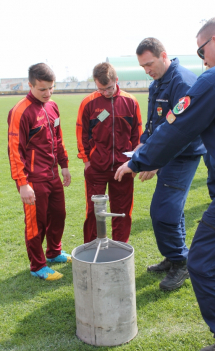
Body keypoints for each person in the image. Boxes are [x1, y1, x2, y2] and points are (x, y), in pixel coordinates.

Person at [115, 17, 215, 351]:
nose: (202, 59)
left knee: (204, 261)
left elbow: (178, 126)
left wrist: (140, 160)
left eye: (202, 50)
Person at [134, 38, 206, 291]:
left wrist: (155, 159)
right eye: (142, 66)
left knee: (163, 212)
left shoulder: (182, 82)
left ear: (164, 55)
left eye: (149, 64)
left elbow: (181, 132)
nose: (147, 70)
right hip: (167, 152)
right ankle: (174, 257)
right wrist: (144, 144)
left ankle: (181, 263)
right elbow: (155, 120)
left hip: (182, 154)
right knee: (169, 210)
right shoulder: (160, 81)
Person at [8, 63, 72, 281]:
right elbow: (14, 151)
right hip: (33, 178)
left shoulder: (52, 106)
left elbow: (58, 138)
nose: (48, 93)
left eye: (51, 88)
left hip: (53, 174)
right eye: (42, 89)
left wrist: (64, 166)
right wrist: (22, 183)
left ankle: (54, 252)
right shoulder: (20, 111)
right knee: (37, 223)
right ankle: (37, 265)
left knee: (59, 215)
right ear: (30, 85)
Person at [76, 62, 142, 243]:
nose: (106, 92)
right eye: (101, 89)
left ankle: (120, 248)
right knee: (93, 211)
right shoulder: (88, 103)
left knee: (122, 211)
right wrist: (87, 162)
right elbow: (81, 133)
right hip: (96, 167)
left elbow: (138, 135)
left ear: (117, 80)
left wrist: (135, 163)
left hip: (123, 167)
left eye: (109, 88)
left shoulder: (131, 102)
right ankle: (91, 248)